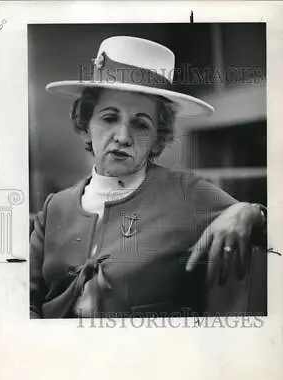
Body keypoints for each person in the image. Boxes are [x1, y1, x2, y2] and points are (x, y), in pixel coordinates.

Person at [30, 36, 267, 319]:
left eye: (141, 124)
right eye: (109, 118)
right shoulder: (54, 208)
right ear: (85, 125)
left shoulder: (187, 193)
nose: (122, 137)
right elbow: (25, 300)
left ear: (157, 140)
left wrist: (250, 212)